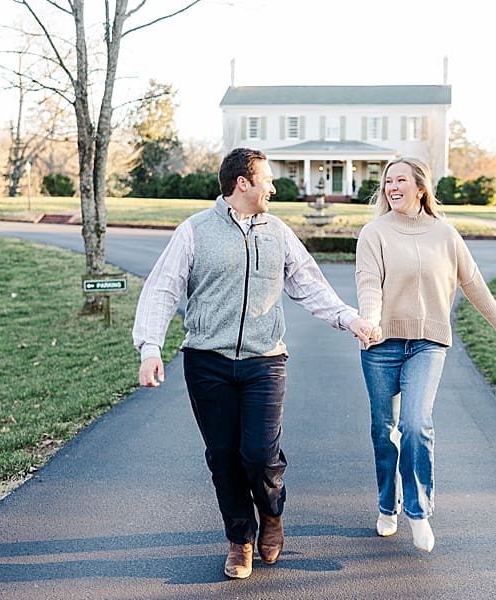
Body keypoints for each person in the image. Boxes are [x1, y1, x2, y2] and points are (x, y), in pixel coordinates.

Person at [132, 147, 372, 579]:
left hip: (265, 360)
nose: (274, 187)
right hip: (207, 361)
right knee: (223, 456)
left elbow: (308, 284)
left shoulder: (277, 232)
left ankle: (272, 516)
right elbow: (162, 290)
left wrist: (348, 318)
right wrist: (150, 347)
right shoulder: (195, 231)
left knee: (260, 455)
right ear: (242, 184)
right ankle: (240, 539)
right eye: (267, 179)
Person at [354, 157, 496, 553]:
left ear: (420, 188)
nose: (392, 186)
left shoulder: (445, 236)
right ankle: (386, 506)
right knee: (384, 431)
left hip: (428, 344)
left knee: (415, 424)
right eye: (387, 181)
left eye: (400, 180)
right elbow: (368, 285)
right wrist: (371, 320)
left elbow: (475, 286)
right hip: (380, 345)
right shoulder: (373, 233)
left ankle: (418, 511)